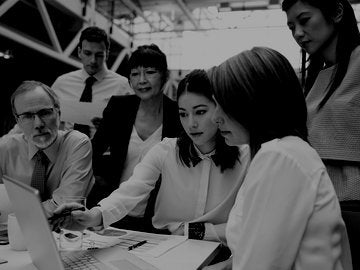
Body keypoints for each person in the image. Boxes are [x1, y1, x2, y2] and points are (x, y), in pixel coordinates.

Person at [51, 69, 250, 245]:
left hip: (221, 250)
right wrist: (94, 215)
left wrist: (196, 231)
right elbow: (130, 191)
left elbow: (246, 223)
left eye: (200, 112)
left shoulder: (246, 156)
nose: (191, 124)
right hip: (164, 244)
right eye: (183, 114)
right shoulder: (166, 150)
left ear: (219, 109)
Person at [204, 47, 352, 269]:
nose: (215, 117)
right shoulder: (287, 151)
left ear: (253, 103)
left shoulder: (279, 157)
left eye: (222, 104)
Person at [86, 44, 182, 231]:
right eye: (135, 74)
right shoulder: (118, 107)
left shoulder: (178, 115)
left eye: (150, 72)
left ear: (164, 75)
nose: (142, 80)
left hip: (156, 218)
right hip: (113, 210)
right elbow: (94, 151)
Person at [282, 0, 360, 202]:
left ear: (337, 12)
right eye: (292, 28)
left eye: (305, 20)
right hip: (319, 201)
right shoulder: (314, 80)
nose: (298, 33)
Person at [0, 81, 94, 217]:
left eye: (45, 113)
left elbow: (64, 204)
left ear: (58, 113)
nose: (38, 124)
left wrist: (16, 215)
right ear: (18, 121)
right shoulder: (5, 148)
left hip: (64, 233)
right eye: (27, 116)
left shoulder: (77, 143)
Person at [51, 26, 133, 138]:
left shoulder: (123, 86)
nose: (93, 61)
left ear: (107, 54)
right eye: (87, 53)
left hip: (106, 153)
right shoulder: (61, 83)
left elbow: (134, 129)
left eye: (99, 55)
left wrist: (113, 127)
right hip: (68, 151)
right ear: (79, 52)